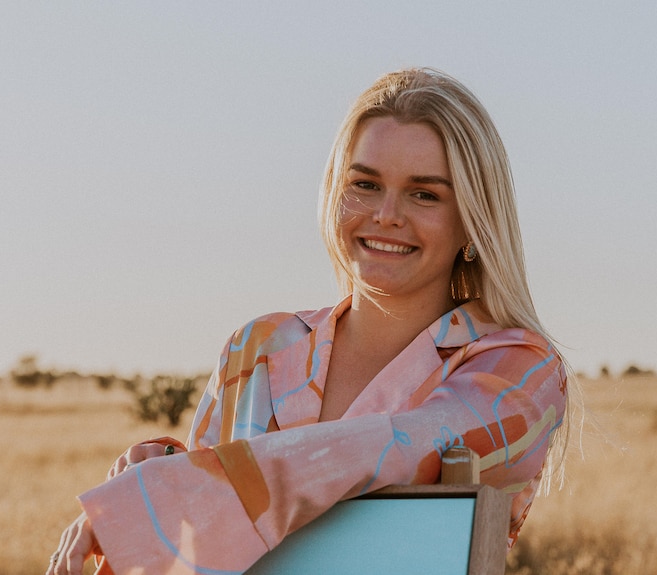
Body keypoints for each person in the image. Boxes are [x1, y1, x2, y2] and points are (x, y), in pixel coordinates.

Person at [47, 67, 578, 575]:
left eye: (424, 194)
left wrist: (164, 497)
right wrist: (162, 467)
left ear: (472, 222)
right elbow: (198, 546)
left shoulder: (519, 372)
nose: (386, 214)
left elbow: (394, 447)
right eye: (365, 184)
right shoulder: (255, 349)